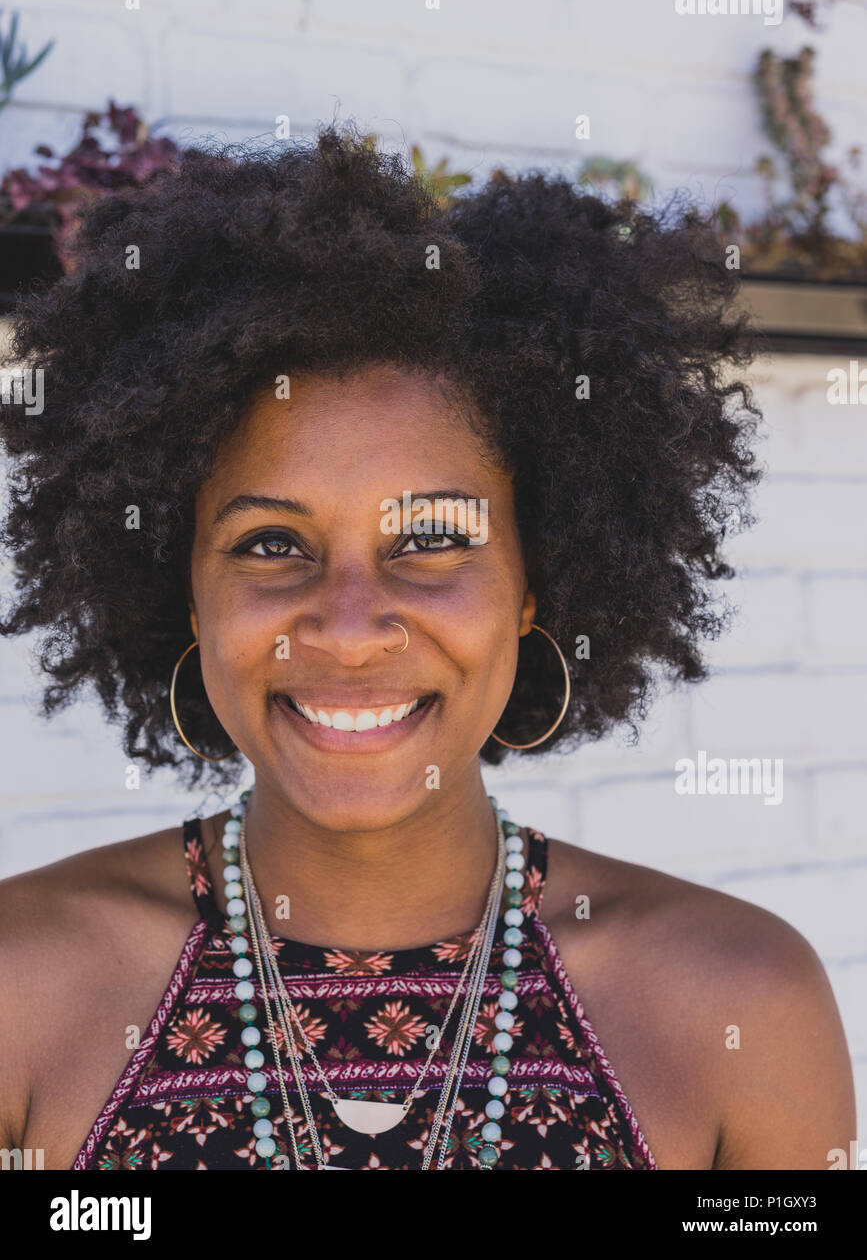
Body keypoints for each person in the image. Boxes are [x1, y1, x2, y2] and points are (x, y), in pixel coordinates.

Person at [0, 123, 854, 1170]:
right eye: (273, 543)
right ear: (182, 591)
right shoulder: (20, 989)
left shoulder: (743, 1006)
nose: (351, 625)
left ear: (536, 586)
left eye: (434, 538)